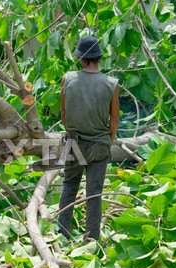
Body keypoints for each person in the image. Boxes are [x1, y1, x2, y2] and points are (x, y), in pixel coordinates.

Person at [57, 35, 120, 241]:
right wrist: (106, 142)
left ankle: (62, 235)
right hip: (100, 144)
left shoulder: (68, 78)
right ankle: (92, 240)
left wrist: (72, 132)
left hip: (74, 142)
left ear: (81, 59)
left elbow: (64, 115)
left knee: (69, 186)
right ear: (99, 57)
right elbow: (114, 122)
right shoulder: (111, 84)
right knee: (94, 194)